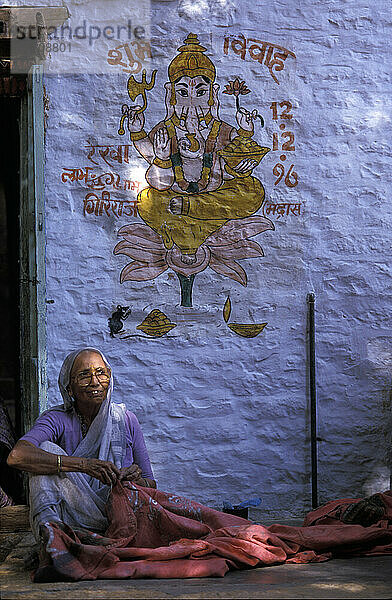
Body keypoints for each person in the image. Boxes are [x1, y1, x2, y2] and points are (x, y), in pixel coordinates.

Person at [128, 33, 265, 264]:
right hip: (176, 197)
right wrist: (138, 133)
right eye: (183, 93)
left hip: (211, 195)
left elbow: (237, 153)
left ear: (212, 94)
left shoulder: (219, 129)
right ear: (171, 94)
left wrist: (245, 134)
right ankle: (194, 216)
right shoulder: (167, 129)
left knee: (253, 190)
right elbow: (151, 157)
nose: (192, 101)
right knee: (146, 199)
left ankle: (191, 209)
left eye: (200, 92)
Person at [7, 347, 155, 540]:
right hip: (71, 514)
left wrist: (135, 480)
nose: (95, 382)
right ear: (69, 388)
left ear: (109, 378)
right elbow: (16, 456)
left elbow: (151, 484)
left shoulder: (125, 420)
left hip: (117, 514)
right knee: (46, 451)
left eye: (101, 373)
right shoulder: (57, 419)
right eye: (84, 375)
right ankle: (52, 538)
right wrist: (82, 466)